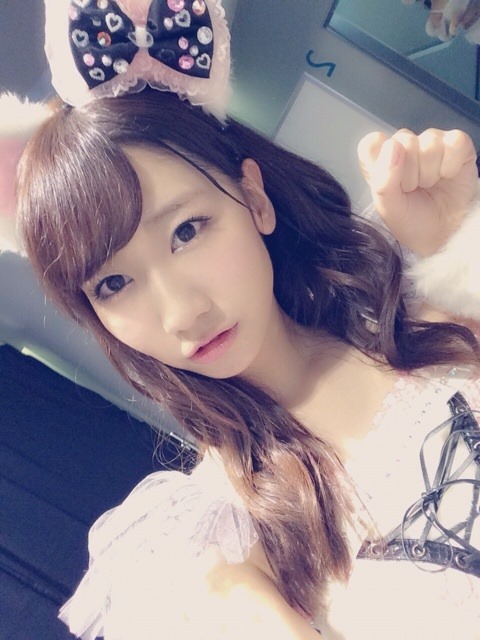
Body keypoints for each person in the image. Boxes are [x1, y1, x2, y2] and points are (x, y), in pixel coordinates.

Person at [5, 0, 480, 638]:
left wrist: (456, 246)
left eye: (187, 230)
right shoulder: (214, 545)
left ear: (253, 198)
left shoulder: (420, 315)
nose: (183, 312)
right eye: (113, 284)